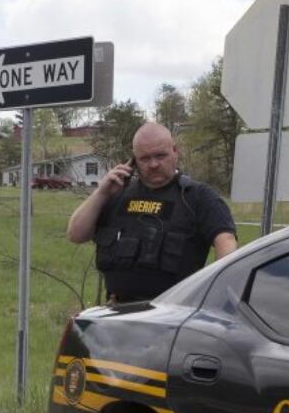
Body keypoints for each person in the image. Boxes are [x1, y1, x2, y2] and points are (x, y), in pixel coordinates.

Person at [67, 122, 237, 303]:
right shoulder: (116, 193)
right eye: (145, 158)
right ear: (133, 161)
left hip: (173, 313)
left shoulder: (198, 197)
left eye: (160, 155)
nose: (154, 164)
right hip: (117, 311)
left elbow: (226, 242)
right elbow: (76, 234)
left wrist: (216, 294)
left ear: (175, 152)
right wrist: (101, 193)